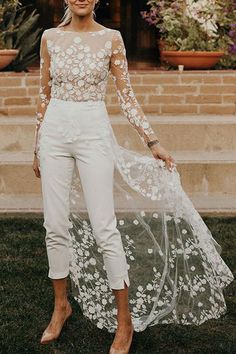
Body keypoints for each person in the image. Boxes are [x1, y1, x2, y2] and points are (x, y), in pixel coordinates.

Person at [32, 1, 234, 353]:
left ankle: (124, 323)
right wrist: (36, 144)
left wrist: (152, 141)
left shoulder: (112, 38)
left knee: (105, 227)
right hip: (54, 134)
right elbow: (44, 94)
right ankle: (61, 307)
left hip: (93, 133)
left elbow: (127, 97)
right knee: (54, 224)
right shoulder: (50, 37)